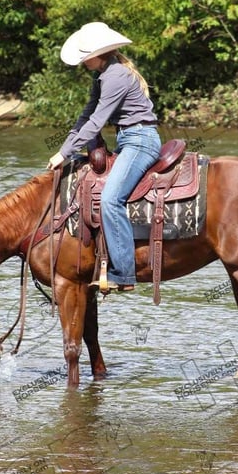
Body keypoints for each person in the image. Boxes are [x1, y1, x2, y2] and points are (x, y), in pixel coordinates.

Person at [47, 22, 161, 293]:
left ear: (97, 53)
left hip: (140, 140)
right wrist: (65, 149)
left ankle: (123, 272)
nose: (82, 61)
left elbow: (97, 120)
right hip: (128, 139)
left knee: (110, 199)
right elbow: (87, 115)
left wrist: (64, 153)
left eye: (85, 55)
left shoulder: (115, 76)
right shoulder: (102, 75)